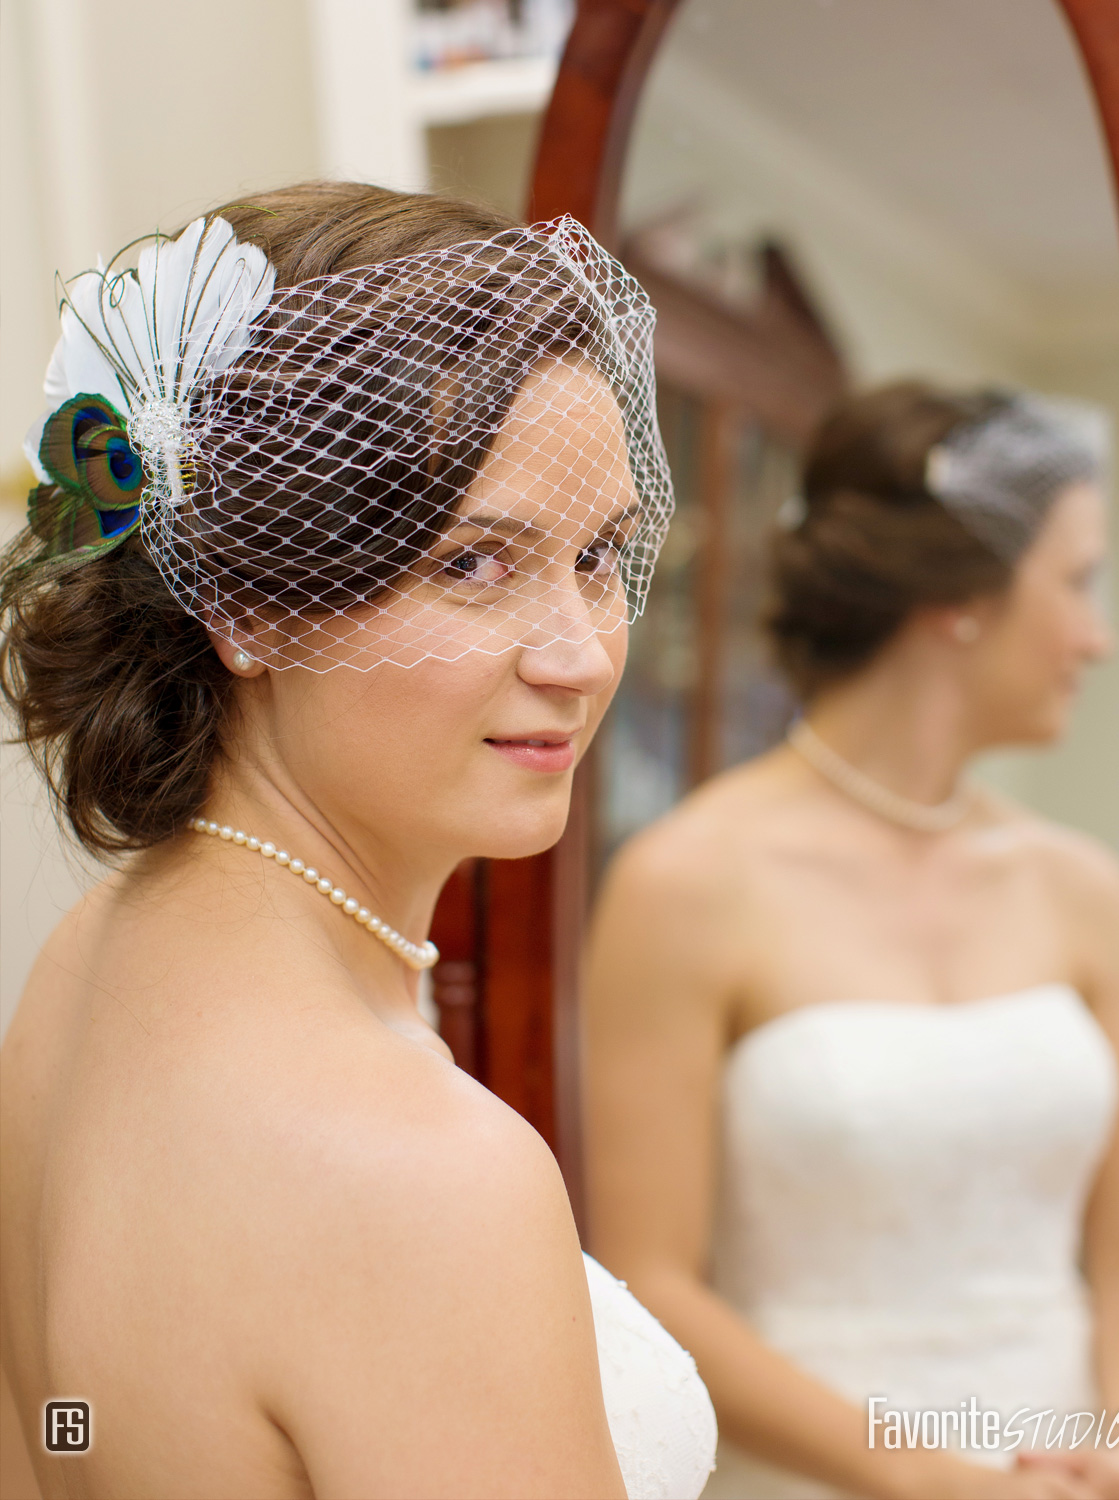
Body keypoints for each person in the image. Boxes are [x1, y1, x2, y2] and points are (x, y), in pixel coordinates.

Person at [0, 181, 716, 1500]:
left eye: (601, 554)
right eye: (474, 564)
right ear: (243, 600)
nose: (577, 657)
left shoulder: (83, 970)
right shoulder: (424, 1174)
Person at [584, 382, 1119, 1500]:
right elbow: (655, 1280)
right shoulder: (686, 882)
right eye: (1079, 583)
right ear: (963, 599)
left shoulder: (1083, 888)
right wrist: (940, 1476)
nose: (1100, 638)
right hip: (819, 1474)